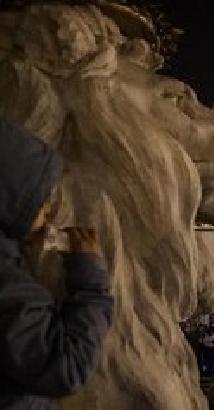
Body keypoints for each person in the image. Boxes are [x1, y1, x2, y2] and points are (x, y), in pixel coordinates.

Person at [0, 120, 114, 409]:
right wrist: (90, 281)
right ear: (11, 199)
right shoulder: (7, 286)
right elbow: (66, 366)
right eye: (40, 201)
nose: (49, 213)